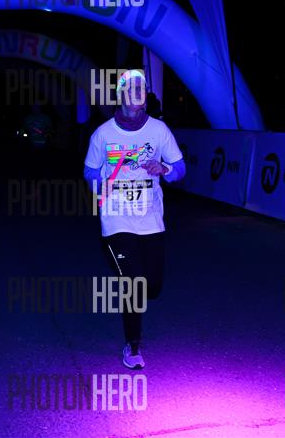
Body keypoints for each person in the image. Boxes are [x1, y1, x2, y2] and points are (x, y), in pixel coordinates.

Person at [83, 70, 186, 369]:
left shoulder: (159, 130)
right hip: (116, 220)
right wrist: (102, 181)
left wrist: (164, 169)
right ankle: (132, 345)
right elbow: (89, 171)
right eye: (132, 87)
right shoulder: (103, 134)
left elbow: (180, 169)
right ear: (121, 95)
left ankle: (131, 279)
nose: (138, 91)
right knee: (135, 283)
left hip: (150, 220)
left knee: (153, 286)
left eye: (142, 86)